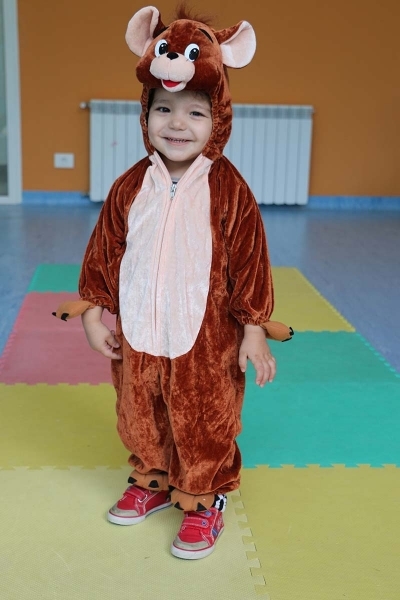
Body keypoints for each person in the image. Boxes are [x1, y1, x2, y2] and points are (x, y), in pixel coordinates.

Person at [54, 5, 292, 560]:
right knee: (139, 411)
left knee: (204, 418)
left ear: (219, 118)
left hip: (206, 339)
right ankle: (152, 478)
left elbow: (251, 261)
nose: (177, 124)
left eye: (195, 112)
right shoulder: (129, 186)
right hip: (139, 329)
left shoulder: (229, 190)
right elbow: (105, 250)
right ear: (146, 113)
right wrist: (94, 313)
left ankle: (205, 496)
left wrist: (253, 329)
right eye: (164, 108)